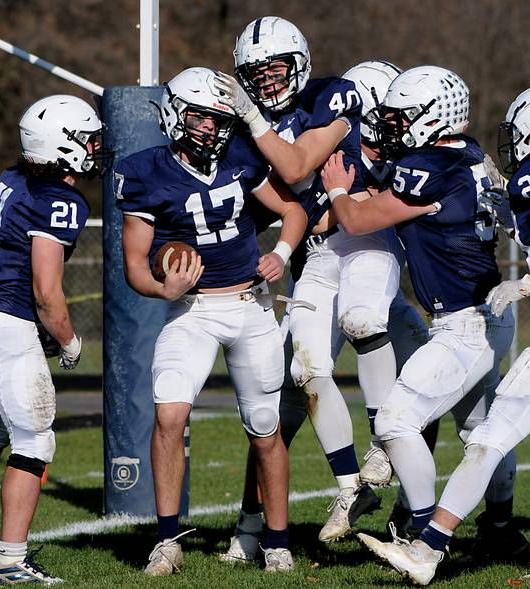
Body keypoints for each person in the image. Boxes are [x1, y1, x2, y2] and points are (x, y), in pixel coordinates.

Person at [350, 83, 530, 584]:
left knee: (487, 441)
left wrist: (527, 283)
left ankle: (427, 548)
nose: (513, 145)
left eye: (521, 134)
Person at [319, 65, 530, 572]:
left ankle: (424, 535)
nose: (390, 124)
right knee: (483, 430)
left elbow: (357, 220)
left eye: (401, 116)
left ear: (434, 117)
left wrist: (337, 190)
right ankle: (501, 531)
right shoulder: (470, 153)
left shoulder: (429, 164)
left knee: (394, 421)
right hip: (485, 316)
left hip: (466, 323)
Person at [114, 67, 306, 574]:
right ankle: (167, 541)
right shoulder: (142, 171)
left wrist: (282, 253)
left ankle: (278, 541)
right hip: (192, 310)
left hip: (250, 306)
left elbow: (295, 212)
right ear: (176, 113)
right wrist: (163, 289)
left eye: (219, 119)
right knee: (168, 418)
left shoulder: (240, 155)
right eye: (201, 116)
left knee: (265, 428)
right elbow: (135, 264)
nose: (211, 128)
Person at [214, 16, 392, 546]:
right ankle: (254, 527)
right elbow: (265, 207)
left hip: (367, 255)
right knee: (278, 407)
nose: (267, 83)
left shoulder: (331, 98)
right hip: (313, 265)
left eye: (276, 70)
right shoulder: (245, 138)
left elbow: (296, 168)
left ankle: (407, 498)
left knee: (391, 357)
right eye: (256, 75)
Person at [0, 95, 110, 584]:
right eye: (87, 138)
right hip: (11, 329)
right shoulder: (60, 199)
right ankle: (12, 558)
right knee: (35, 441)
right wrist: (70, 341)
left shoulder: (11, 179)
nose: (95, 147)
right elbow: (46, 292)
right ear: (61, 144)